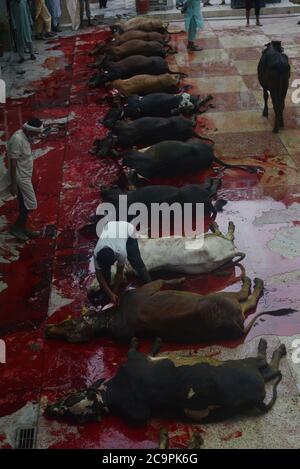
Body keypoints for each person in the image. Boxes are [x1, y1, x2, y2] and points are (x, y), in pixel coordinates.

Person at [0, 118, 44, 241]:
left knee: (24, 203)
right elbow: (13, 163)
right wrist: (14, 184)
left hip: (25, 176)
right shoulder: (17, 139)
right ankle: (17, 228)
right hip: (20, 178)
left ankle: (22, 227)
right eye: (36, 134)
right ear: (29, 131)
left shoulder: (25, 137)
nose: (37, 136)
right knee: (30, 204)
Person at [93, 221, 151, 305]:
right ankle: (105, 293)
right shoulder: (96, 253)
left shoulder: (121, 252)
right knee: (104, 272)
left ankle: (149, 283)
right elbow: (99, 274)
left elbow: (119, 274)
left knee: (136, 261)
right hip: (111, 226)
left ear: (114, 260)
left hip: (128, 230)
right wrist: (110, 294)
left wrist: (114, 292)